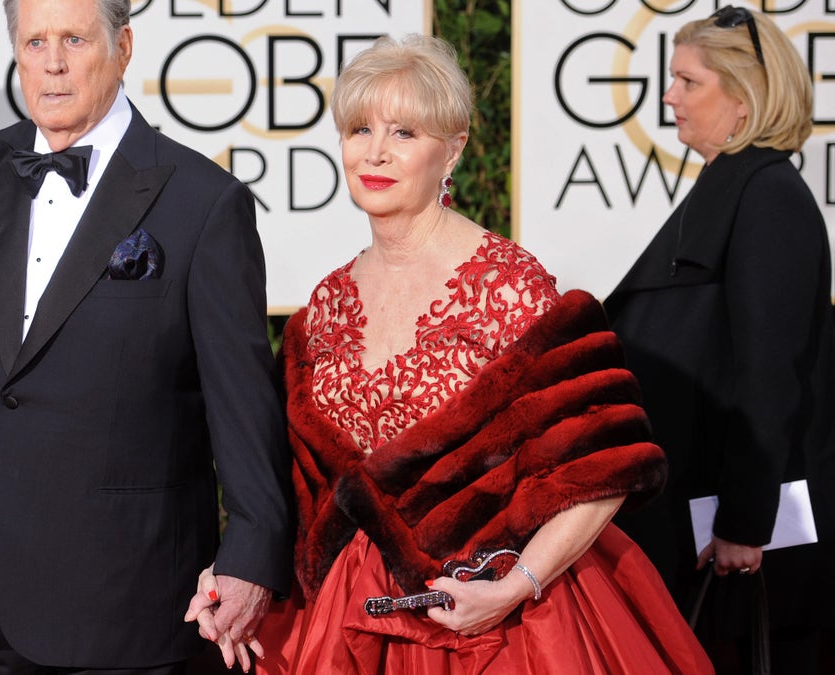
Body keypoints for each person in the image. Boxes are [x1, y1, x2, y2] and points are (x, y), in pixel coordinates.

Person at [188, 34, 715, 673]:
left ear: (454, 149)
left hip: (500, 623)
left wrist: (515, 586)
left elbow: (601, 467)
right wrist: (237, 569)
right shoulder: (322, 307)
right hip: (348, 622)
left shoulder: (510, 284)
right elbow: (291, 492)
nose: (375, 152)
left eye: (405, 133)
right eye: (359, 129)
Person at [0, 0, 295, 672]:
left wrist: (251, 552)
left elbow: (242, 407)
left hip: (125, 601)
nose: (54, 62)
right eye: (35, 41)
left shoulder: (203, 203)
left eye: (74, 37)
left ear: (123, 46)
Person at [605, 7, 835, 673]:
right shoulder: (734, 191)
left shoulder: (767, 197)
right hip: (697, 520)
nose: (669, 97)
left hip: (737, 542)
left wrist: (745, 521)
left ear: (743, 98)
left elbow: (771, 374)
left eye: (687, 81)